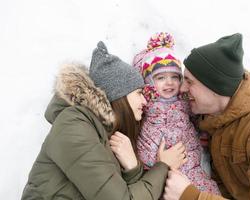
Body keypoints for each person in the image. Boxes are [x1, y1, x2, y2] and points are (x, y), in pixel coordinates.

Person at [21, 41, 187, 200]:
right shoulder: (73, 125)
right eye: (138, 93)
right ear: (118, 95)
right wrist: (163, 166)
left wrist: (132, 168)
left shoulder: (103, 133)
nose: (144, 101)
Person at [163, 33, 250, 200]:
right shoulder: (213, 117)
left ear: (215, 87)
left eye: (190, 82)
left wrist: (191, 196)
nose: (182, 88)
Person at [132, 32, 220, 195]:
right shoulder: (145, 103)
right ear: (149, 82)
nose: (169, 82)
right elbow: (140, 134)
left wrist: (203, 138)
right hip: (160, 163)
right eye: (161, 77)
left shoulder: (185, 100)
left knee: (206, 190)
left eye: (174, 76)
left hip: (190, 161)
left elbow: (198, 121)